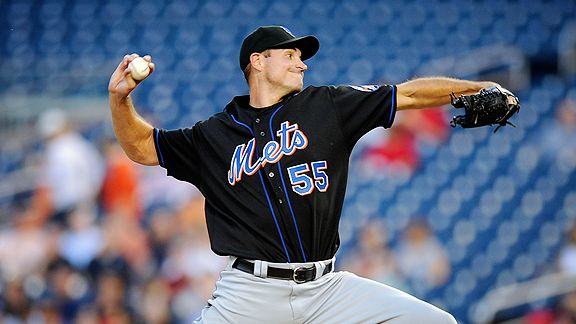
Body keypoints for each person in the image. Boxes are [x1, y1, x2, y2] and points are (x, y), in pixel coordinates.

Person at [108, 25, 509, 323]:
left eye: (302, 56)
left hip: (326, 288)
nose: (302, 62)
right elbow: (143, 146)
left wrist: (474, 89)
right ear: (259, 61)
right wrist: (119, 99)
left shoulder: (327, 106)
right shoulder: (212, 136)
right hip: (250, 293)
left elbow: (406, 94)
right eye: (290, 54)